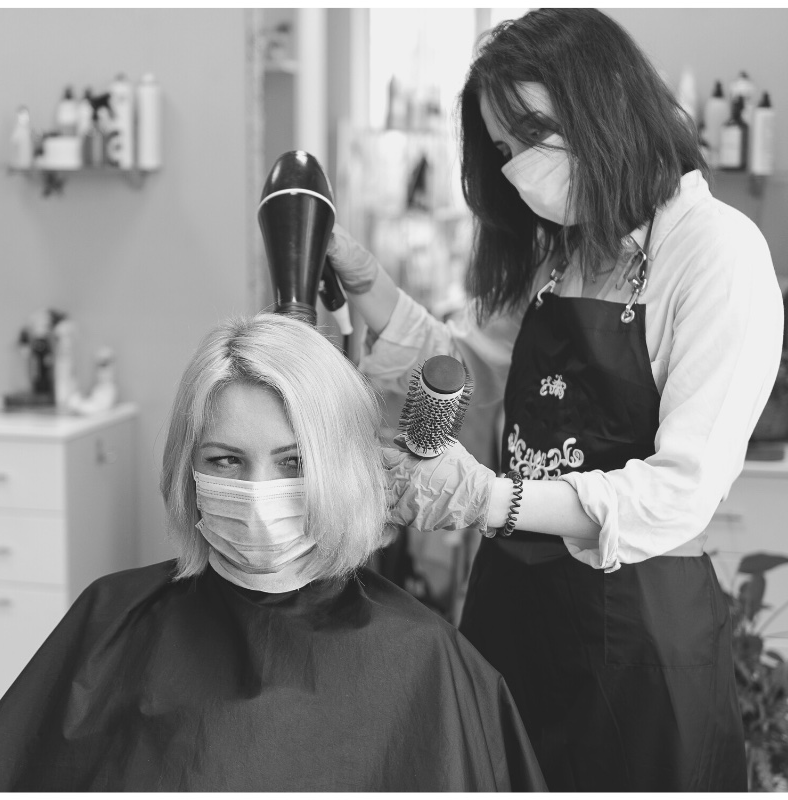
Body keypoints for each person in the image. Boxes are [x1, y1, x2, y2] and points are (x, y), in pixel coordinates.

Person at [326, 8, 785, 792]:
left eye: (532, 134)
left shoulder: (716, 250)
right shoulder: (565, 256)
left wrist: (494, 500)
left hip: (637, 644)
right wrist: (368, 286)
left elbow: (682, 490)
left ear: (604, 100)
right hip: (516, 615)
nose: (517, 170)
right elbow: (474, 376)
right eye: (502, 151)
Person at [0, 313, 546, 792]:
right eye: (226, 460)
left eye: (294, 462)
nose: (258, 494)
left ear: (344, 470)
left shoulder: (428, 659)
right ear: (186, 471)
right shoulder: (109, 621)